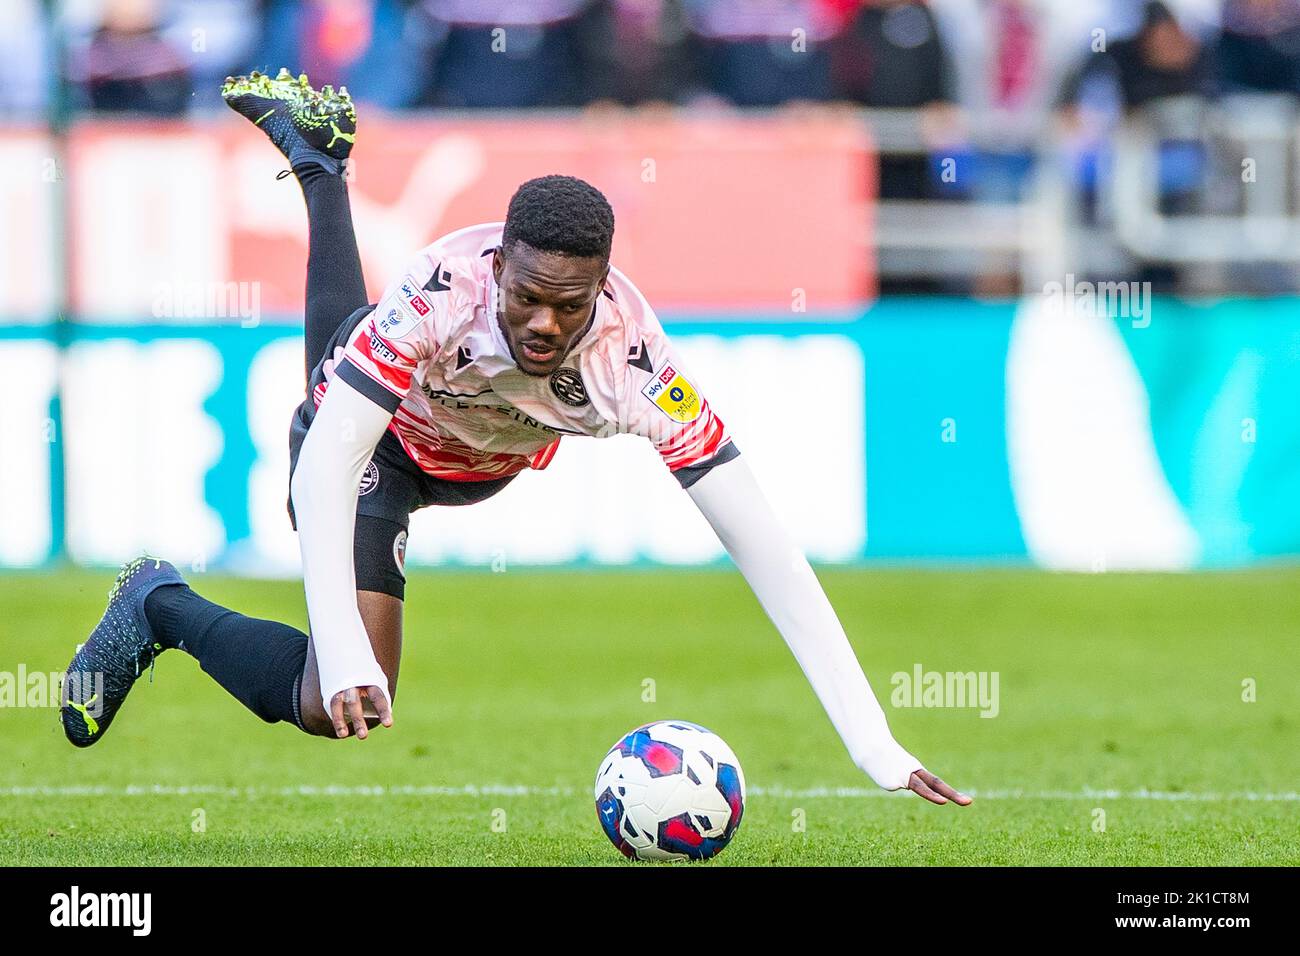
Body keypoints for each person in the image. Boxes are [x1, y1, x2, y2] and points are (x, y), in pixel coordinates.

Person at [60, 69, 971, 808]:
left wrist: (873, 740)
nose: (541, 322)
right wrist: (335, 646)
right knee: (336, 697)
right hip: (379, 446)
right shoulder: (442, 288)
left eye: (568, 305)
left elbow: (767, 548)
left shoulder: (637, 365)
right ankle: (157, 603)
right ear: (499, 265)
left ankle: (321, 163)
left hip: (480, 464)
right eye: (526, 293)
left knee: (357, 420)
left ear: (604, 290)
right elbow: (326, 466)